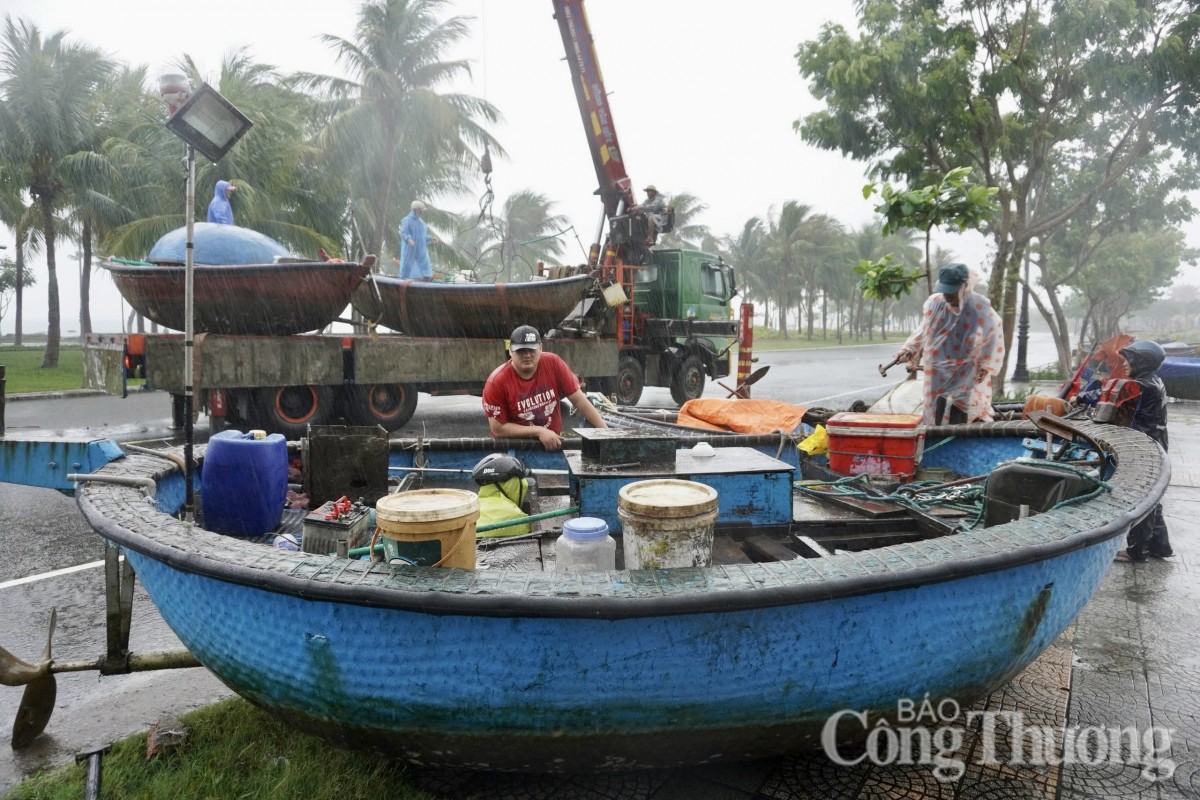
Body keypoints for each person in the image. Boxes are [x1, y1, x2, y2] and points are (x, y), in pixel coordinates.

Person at [893, 263, 1005, 426]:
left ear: (965, 286)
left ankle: (958, 436)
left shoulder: (978, 305)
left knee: (961, 406)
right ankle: (936, 434)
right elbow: (924, 330)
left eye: (952, 292)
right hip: (937, 367)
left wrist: (985, 364)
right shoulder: (935, 303)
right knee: (935, 405)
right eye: (945, 292)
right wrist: (909, 348)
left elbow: (993, 334)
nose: (948, 297)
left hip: (965, 368)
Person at [482, 325, 608, 451]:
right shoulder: (496, 382)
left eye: (532, 350)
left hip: (553, 446)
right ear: (510, 351)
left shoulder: (553, 363)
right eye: (521, 350)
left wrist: (607, 434)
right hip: (513, 449)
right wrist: (539, 431)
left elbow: (579, 400)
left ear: (541, 348)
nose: (527, 355)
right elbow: (498, 429)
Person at [1113, 339, 1173, 563]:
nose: (1125, 364)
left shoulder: (1141, 386)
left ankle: (1137, 551)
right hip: (1156, 443)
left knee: (1141, 499)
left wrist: (1081, 397)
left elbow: (1111, 400)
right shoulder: (1153, 381)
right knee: (1152, 497)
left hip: (1144, 447)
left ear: (1142, 361)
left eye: (1129, 359)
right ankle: (1160, 546)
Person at [399, 200, 435, 280]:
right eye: (420, 211)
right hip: (410, 248)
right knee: (407, 263)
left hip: (420, 248)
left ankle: (427, 277)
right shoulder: (406, 220)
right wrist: (408, 239)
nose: (422, 213)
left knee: (424, 261)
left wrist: (430, 238)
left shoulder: (421, 223)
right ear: (415, 210)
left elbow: (422, 237)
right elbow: (404, 233)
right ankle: (404, 278)